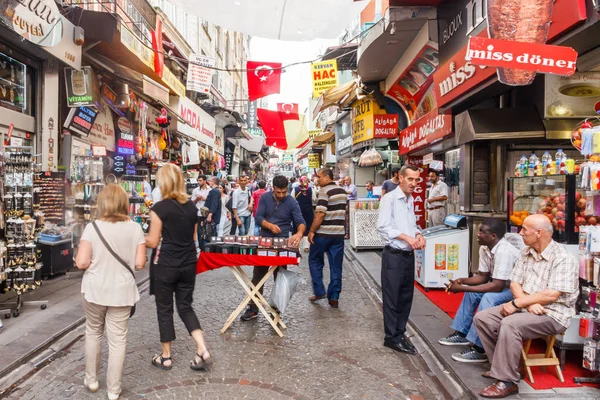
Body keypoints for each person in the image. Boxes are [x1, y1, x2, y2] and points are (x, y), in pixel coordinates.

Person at [473, 214, 578, 399]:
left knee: (510, 323)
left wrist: (518, 303)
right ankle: (506, 366)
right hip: (527, 307)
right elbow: (515, 283)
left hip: (553, 313)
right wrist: (526, 304)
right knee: (483, 318)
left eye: (524, 230)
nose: (520, 233)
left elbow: (552, 294)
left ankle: (507, 381)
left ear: (538, 233)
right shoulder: (525, 252)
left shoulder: (563, 258)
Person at [75, 184, 146, 400]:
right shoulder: (135, 228)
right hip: (122, 291)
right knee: (118, 340)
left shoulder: (92, 228)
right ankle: (114, 390)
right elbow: (140, 263)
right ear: (125, 203)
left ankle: (92, 379)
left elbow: (82, 262)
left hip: (95, 289)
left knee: (93, 332)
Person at [145, 164, 213, 372]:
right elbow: (193, 238)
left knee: (164, 309)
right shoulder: (192, 208)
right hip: (188, 264)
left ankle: (166, 357)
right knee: (185, 306)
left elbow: (153, 241)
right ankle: (201, 348)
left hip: (165, 264)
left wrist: (140, 237)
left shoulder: (158, 209)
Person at [438, 219, 520, 363]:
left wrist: (461, 288)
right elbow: (482, 277)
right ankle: (462, 333)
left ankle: (479, 348)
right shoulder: (485, 248)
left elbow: (497, 286)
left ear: (493, 236)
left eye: (482, 232)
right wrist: (461, 281)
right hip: (499, 285)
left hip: (514, 291)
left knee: (489, 297)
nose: (478, 234)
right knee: (472, 291)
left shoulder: (504, 251)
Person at [376, 165, 426, 355]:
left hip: (408, 255)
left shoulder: (409, 199)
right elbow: (382, 227)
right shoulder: (390, 199)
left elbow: (411, 224)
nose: (414, 184)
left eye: (416, 180)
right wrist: (406, 238)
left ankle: (400, 332)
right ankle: (391, 337)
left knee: (406, 297)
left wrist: (419, 235)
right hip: (394, 256)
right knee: (392, 298)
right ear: (401, 178)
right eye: (410, 179)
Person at [241, 175, 306, 321]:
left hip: (282, 242)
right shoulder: (264, 197)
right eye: (279, 192)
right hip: (265, 240)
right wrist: (269, 225)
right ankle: (253, 307)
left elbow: (300, 221)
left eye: (284, 192)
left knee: (280, 276)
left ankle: (276, 309)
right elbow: (258, 217)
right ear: (273, 189)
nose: (282, 195)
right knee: (258, 275)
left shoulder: (292, 201)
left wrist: (299, 233)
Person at [307, 168, 347, 308]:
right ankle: (334, 296)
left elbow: (320, 214)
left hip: (323, 234)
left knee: (315, 261)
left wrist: (311, 231)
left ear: (326, 177)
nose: (317, 179)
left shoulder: (324, 191)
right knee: (336, 265)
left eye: (319, 177)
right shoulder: (342, 191)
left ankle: (319, 291)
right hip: (338, 235)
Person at [292, 176, 314, 253]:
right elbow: (314, 200)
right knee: (307, 229)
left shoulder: (295, 190)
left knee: (297, 228)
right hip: (308, 212)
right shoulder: (311, 190)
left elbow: (292, 200)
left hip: (298, 212)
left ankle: (296, 245)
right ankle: (305, 247)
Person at [200, 176, 222, 250]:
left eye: (210, 181)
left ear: (213, 182)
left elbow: (214, 204)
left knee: (208, 236)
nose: (209, 182)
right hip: (211, 217)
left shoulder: (214, 191)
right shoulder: (216, 191)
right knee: (209, 234)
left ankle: (207, 251)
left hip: (211, 218)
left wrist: (210, 214)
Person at [192, 175, 211, 242]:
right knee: (199, 232)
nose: (198, 182)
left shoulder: (210, 190)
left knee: (208, 231)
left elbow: (212, 201)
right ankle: (201, 247)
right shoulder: (195, 191)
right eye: (198, 180)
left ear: (205, 181)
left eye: (200, 180)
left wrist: (205, 199)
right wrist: (197, 199)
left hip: (207, 214)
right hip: (198, 214)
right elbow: (192, 203)